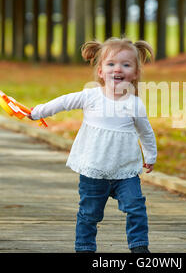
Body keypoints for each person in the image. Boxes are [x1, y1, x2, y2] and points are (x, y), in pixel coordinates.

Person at [28, 37, 157, 253]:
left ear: (135, 73)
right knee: (89, 213)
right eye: (111, 64)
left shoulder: (134, 104)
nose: (118, 69)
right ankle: (85, 247)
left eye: (126, 65)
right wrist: (38, 112)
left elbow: (146, 132)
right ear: (100, 71)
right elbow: (63, 102)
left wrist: (150, 156)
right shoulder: (91, 96)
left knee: (136, 207)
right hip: (94, 170)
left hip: (125, 171)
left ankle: (139, 247)